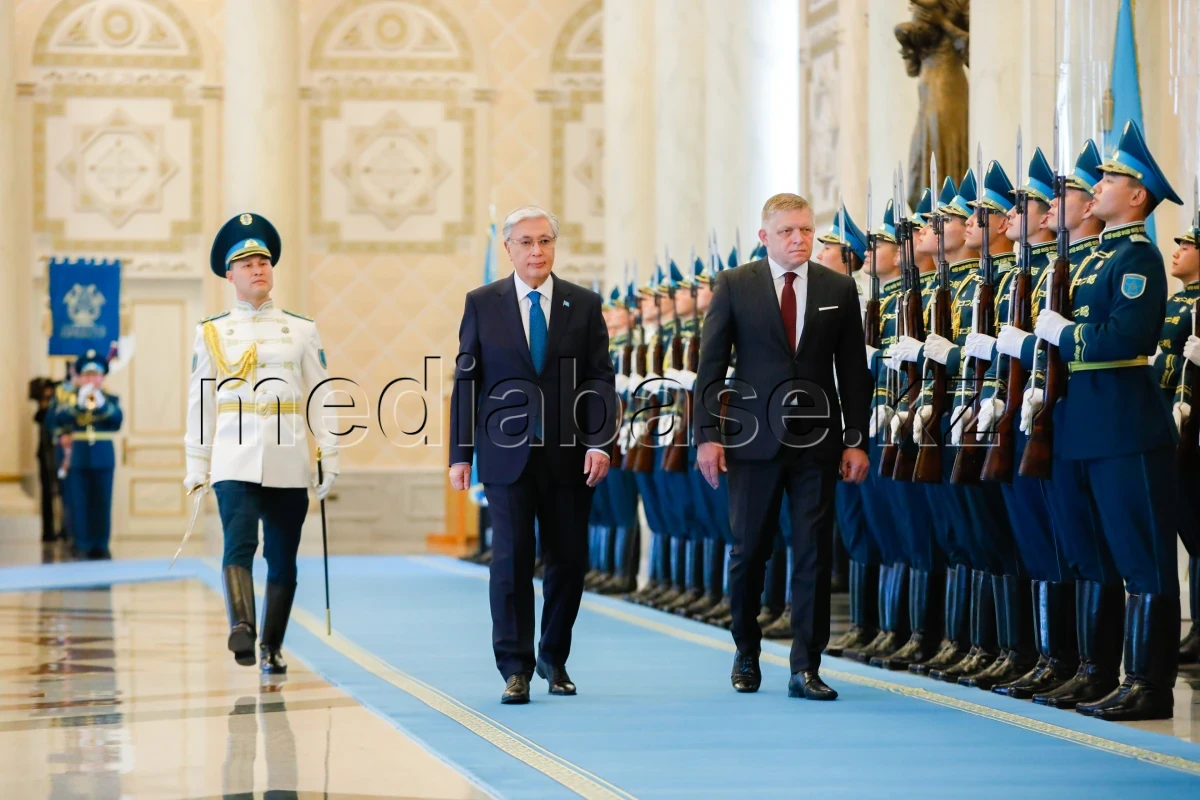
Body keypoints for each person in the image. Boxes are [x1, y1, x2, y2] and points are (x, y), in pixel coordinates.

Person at [1004, 121, 1183, 721]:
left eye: (1111, 178)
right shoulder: (1095, 259)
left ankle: (1150, 683)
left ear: (1138, 195)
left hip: (1124, 424)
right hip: (1082, 422)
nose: (1099, 185)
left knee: (1142, 557)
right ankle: (1096, 669)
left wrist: (1065, 336)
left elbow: (1126, 336)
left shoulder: (1138, 258)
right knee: (1093, 554)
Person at [694, 193, 871, 701]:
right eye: (788, 231)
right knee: (750, 551)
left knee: (813, 551)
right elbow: (711, 367)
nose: (799, 240)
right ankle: (746, 649)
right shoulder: (735, 285)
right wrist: (707, 437)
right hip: (752, 438)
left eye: (806, 231)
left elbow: (852, 372)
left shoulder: (838, 287)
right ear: (764, 236)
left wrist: (855, 440)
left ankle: (805, 666)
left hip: (818, 440)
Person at [449, 205, 616, 705]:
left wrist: (601, 441)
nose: (536, 251)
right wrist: (461, 454)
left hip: (569, 455)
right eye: (525, 242)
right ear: (509, 249)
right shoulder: (482, 303)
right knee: (512, 559)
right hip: (506, 455)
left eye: (544, 241)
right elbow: (466, 382)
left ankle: (554, 656)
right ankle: (515, 667)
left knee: (567, 561)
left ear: (554, 247)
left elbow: (599, 379)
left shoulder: (583, 304)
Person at [185, 213, 340, 675]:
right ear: (229, 275)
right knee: (237, 546)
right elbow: (200, 400)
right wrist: (197, 461)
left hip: (288, 457)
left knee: (282, 559)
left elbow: (322, 395)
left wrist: (328, 452)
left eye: (264, 261)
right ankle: (243, 628)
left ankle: (271, 645)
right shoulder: (211, 331)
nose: (258, 269)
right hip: (234, 458)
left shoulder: (301, 329)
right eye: (247, 263)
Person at [1164, 223, 1200, 666]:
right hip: (1171, 422)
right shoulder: (1174, 302)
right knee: (1188, 528)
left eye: (1189, 245)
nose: (1179, 250)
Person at [54, 350, 123, 560]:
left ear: (102, 378)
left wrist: (102, 405)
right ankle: (82, 544)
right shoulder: (71, 398)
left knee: (102, 501)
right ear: (80, 377)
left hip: (102, 454)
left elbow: (117, 421)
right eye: (87, 375)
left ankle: (100, 544)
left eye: (96, 375)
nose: (91, 379)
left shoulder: (110, 398)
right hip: (79, 455)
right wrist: (78, 404)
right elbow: (58, 418)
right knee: (79, 501)